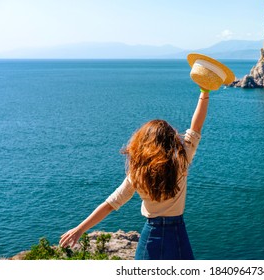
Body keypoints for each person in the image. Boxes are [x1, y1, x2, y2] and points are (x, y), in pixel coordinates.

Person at [59, 87, 211, 260]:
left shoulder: (138, 173)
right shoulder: (181, 161)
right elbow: (196, 127)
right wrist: (204, 91)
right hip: (177, 235)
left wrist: (79, 230)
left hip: (151, 236)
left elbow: (110, 205)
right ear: (170, 141)